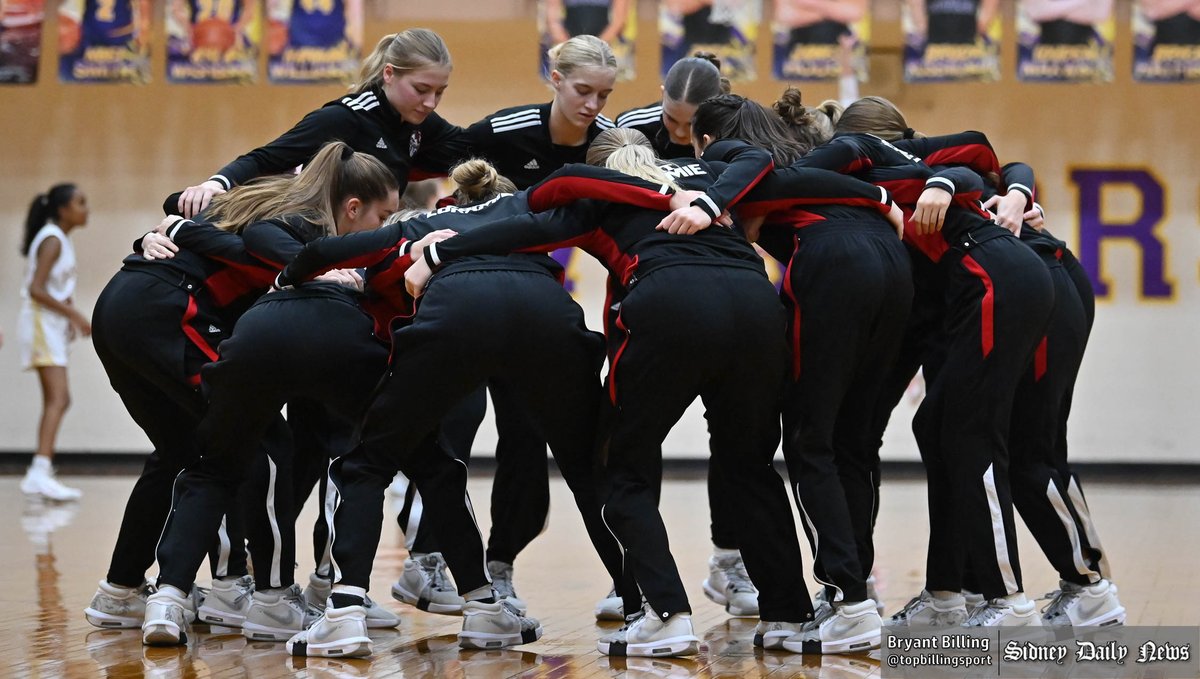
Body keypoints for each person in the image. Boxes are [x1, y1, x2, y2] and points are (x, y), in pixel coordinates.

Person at [404, 128, 901, 657]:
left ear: (602, 167)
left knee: (622, 466)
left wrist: (437, 255)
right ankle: (790, 614)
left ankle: (667, 615)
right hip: (756, 308)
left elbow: (519, 230)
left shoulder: (597, 194)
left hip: (670, 303)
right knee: (748, 465)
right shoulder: (714, 179)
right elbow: (797, 178)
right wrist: (882, 198)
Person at [281, 159, 636, 658]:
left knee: (368, 464)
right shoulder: (525, 210)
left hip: (459, 312)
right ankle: (643, 609)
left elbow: (326, 250)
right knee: (592, 472)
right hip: (544, 315)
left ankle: (343, 613)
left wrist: (289, 277)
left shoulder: (420, 220)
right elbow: (600, 210)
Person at [126, 142, 400, 647]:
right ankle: (270, 594)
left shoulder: (304, 219)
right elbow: (206, 215)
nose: (388, 225)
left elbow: (186, 212)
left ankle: (167, 596)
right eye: (384, 215)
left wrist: (178, 228)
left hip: (203, 324)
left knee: (205, 458)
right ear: (350, 203)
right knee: (269, 451)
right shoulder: (300, 220)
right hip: (215, 323)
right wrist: (307, 264)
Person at [176, 27, 466, 217]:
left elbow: (471, 143)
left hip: (366, 247)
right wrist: (216, 184)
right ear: (389, 74)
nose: (431, 102)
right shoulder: (346, 117)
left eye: (440, 92)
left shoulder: (419, 121)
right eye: (421, 89)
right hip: (315, 241)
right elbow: (268, 157)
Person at [17, 183, 89, 502]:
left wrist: (67, 315)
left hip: (49, 325)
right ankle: (39, 471)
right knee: (59, 399)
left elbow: (55, 287)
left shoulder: (58, 239)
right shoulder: (51, 239)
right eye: (80, 202)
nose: (86, 209)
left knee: (57, 399)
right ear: (63, 209)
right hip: (39, 323)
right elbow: (36, 289)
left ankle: (40, 470)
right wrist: (75, 315)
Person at [615, 52, 730, 160]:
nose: (680, 133)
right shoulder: (630, 126)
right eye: (671, 119)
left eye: (691, 124)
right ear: (663, 94)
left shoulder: (730, 133)